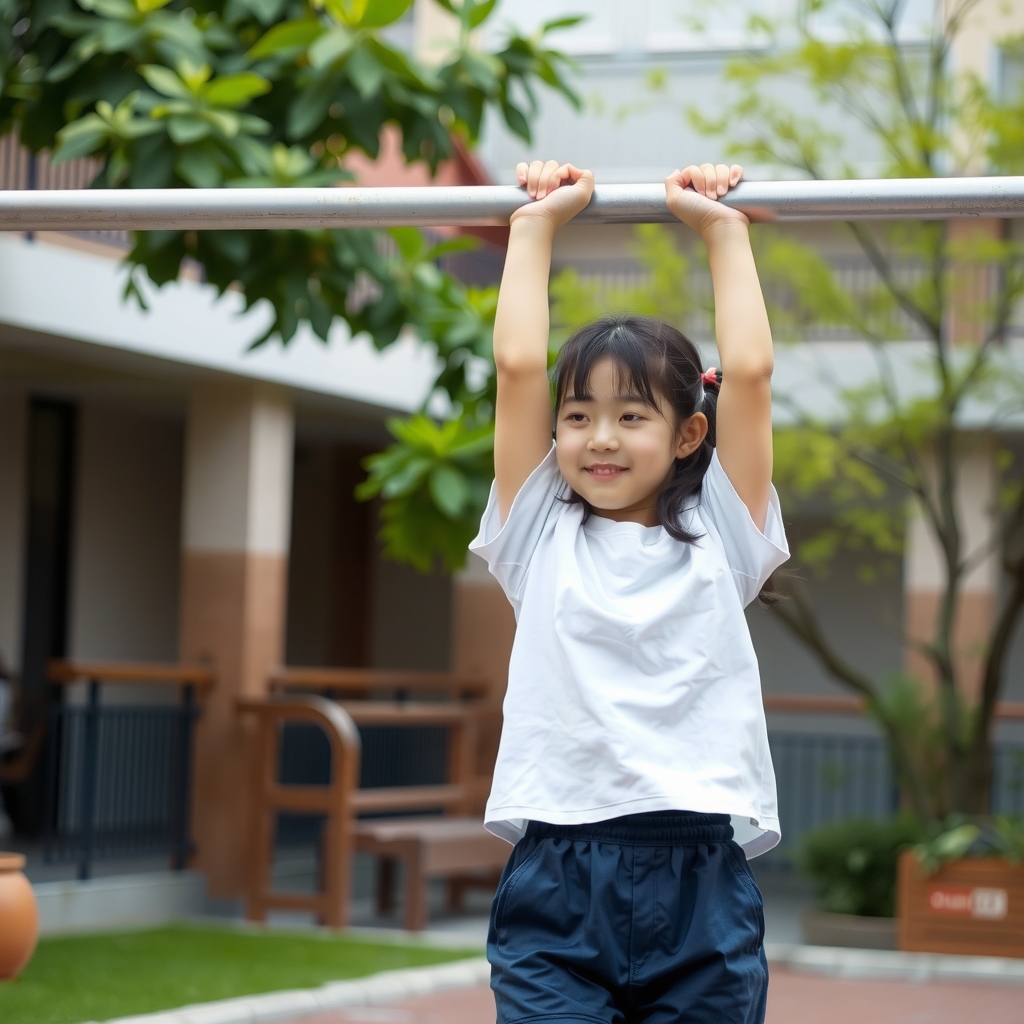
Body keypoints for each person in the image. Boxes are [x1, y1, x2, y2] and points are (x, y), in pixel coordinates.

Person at [468, 160, 790, 1024]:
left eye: (630, 416)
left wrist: (724, 232)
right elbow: (515, 368)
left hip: (700, 879)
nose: (598, 438)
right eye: (578, 416)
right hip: (560, 872)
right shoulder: (538, 534)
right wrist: (534, 227)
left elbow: (750, 376)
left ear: (690, 433)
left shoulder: (723, 536)